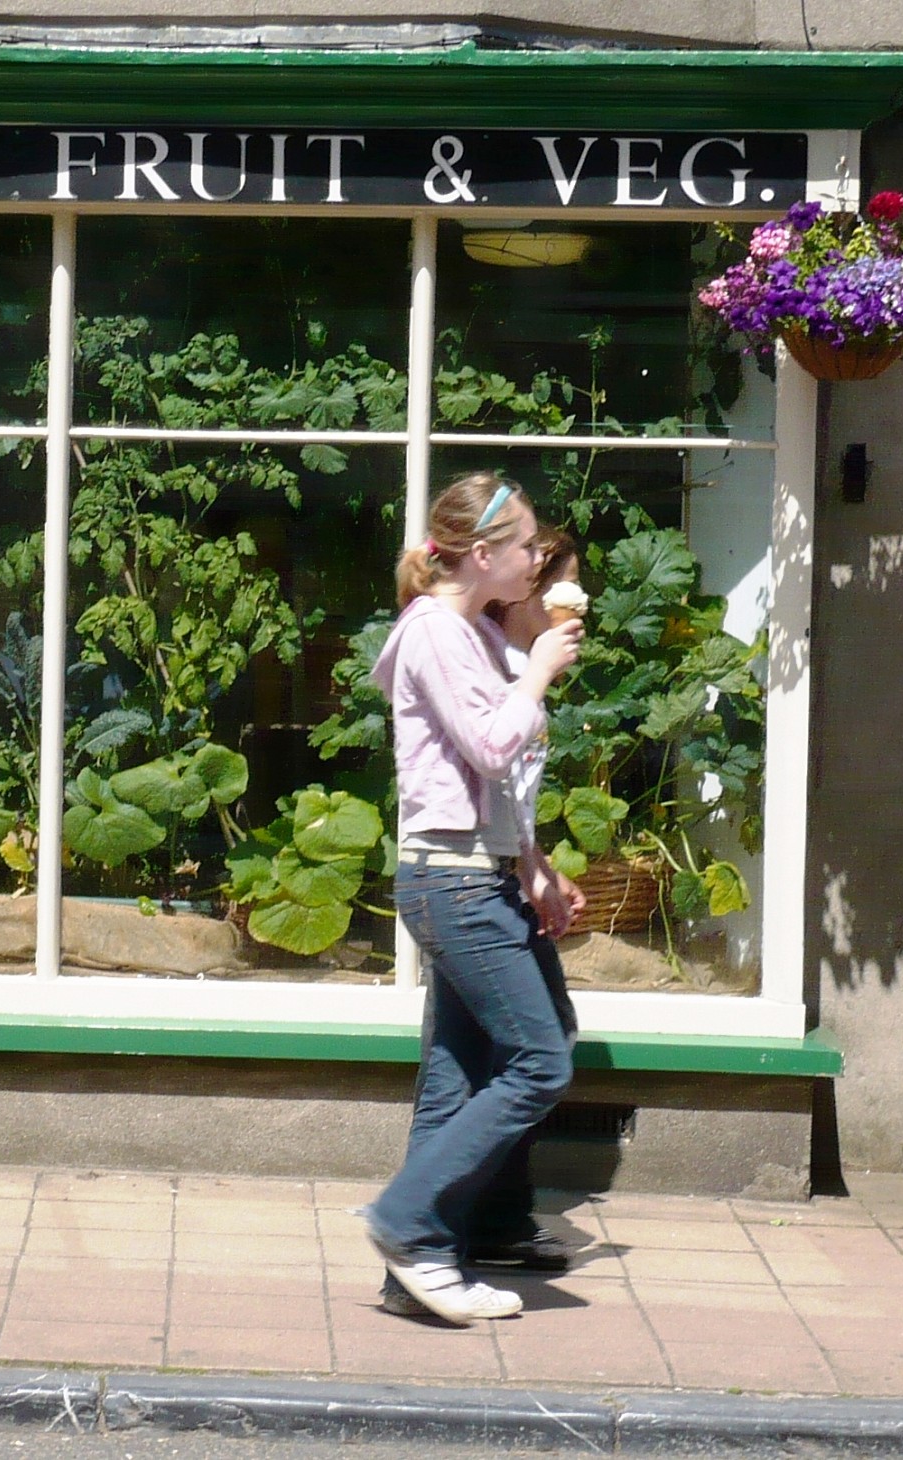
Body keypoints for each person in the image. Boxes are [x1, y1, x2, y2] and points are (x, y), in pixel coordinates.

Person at [364, 473, 584, 1325]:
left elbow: (495, 785)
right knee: (542, 1059)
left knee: (455, 1080)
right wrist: (537, 677)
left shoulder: (472, 634)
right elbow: (493, 747)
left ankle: (417, 1266)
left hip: (476, 873)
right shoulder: (434, 633)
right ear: (482, 554)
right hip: (451, 883)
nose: (536, 558)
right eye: (525, 544)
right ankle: (404, 1217)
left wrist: (530, 865)